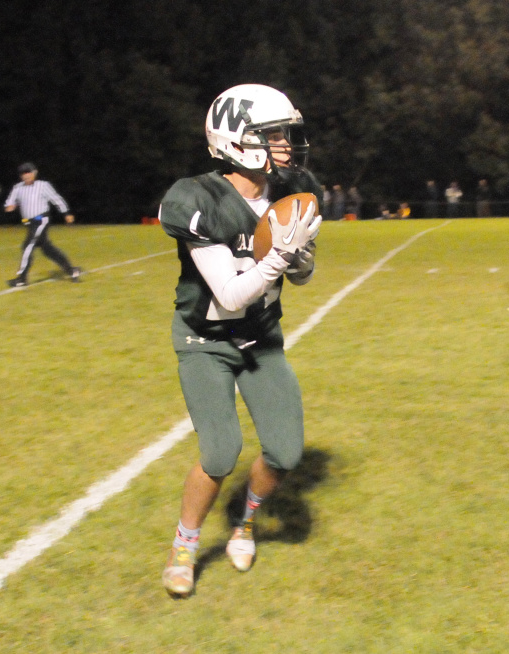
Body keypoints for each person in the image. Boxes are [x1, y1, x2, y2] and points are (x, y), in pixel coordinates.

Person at [157, 84, 322, 597]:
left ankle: (244, 522)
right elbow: (229, 294)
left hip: (262, 340)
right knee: (221, 451)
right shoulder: (197, 199)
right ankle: (184, 544)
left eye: (285, 134)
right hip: (206, 340)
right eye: (273, 134)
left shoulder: (293, 190)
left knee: (285, 453)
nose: (285, 145)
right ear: (237, 140)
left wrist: (298, 258)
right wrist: (277, 255)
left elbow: (299, 278)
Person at [4, 162, 81, 287]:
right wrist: (10, 207)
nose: (26, 175)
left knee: (27, 246)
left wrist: (66, 213)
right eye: (23, 173)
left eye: (28, 172)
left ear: (34, 173)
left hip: (41, 220)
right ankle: (72, 271)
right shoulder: (18, 188)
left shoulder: (43, 185)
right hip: (29, 223)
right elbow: (9, 204)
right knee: (47, 250)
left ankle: (22, 279)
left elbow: (56, 199)